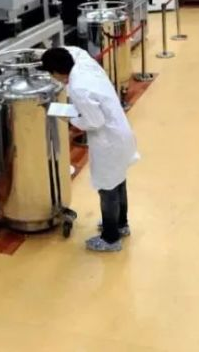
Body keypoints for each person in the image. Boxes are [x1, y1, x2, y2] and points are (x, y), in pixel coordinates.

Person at [41, 46, 139, 253]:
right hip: (121, 132)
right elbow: (77, 51)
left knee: (108, 189)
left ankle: (111, 238)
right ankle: (121, 224)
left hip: (108, 142)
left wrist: (68, 117)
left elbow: (94, 122)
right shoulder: (84, 64)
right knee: (118, 182)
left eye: (52, 74)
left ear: (57, 72)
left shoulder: (79, 88)